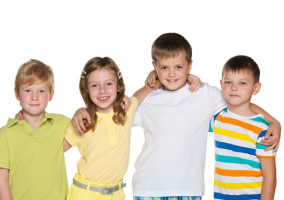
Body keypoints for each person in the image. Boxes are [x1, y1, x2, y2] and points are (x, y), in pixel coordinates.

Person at [72, 33, 281, 200]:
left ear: (190, 66)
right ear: (154, 67)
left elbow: (239, 101)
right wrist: (82, 110)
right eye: (164, 68)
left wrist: (274, 122)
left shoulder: (205, 94)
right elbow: (115, 113)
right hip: (148, 188)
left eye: (179, 67)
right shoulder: (148, 98)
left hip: (189, 189)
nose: (171, 74)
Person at [62, 56, 164, 200]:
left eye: (108, 84)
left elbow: (153, 84)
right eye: (94, 85)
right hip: (85, 194)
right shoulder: (84, 121)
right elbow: (55, 151)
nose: (102, 90)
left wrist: (153, 74)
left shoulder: (125, 110)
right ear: (86, 89)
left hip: (116, 194)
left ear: (118, 86)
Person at [0, 59, 70, 200]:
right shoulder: (5, 135)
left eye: (41, 91)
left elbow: (88, 125)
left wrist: (81, 111)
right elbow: (0, 179)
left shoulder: (61, 124)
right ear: (17, 93)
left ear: (51, 94)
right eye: (28, 90)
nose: (34, 97)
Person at [210, 55, 276, 200]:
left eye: (242, 83)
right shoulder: (217, 118)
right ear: (221, 84)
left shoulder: (264, 130)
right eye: (228, 82)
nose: (234, 88)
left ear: (256, 88)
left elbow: (270, 177)